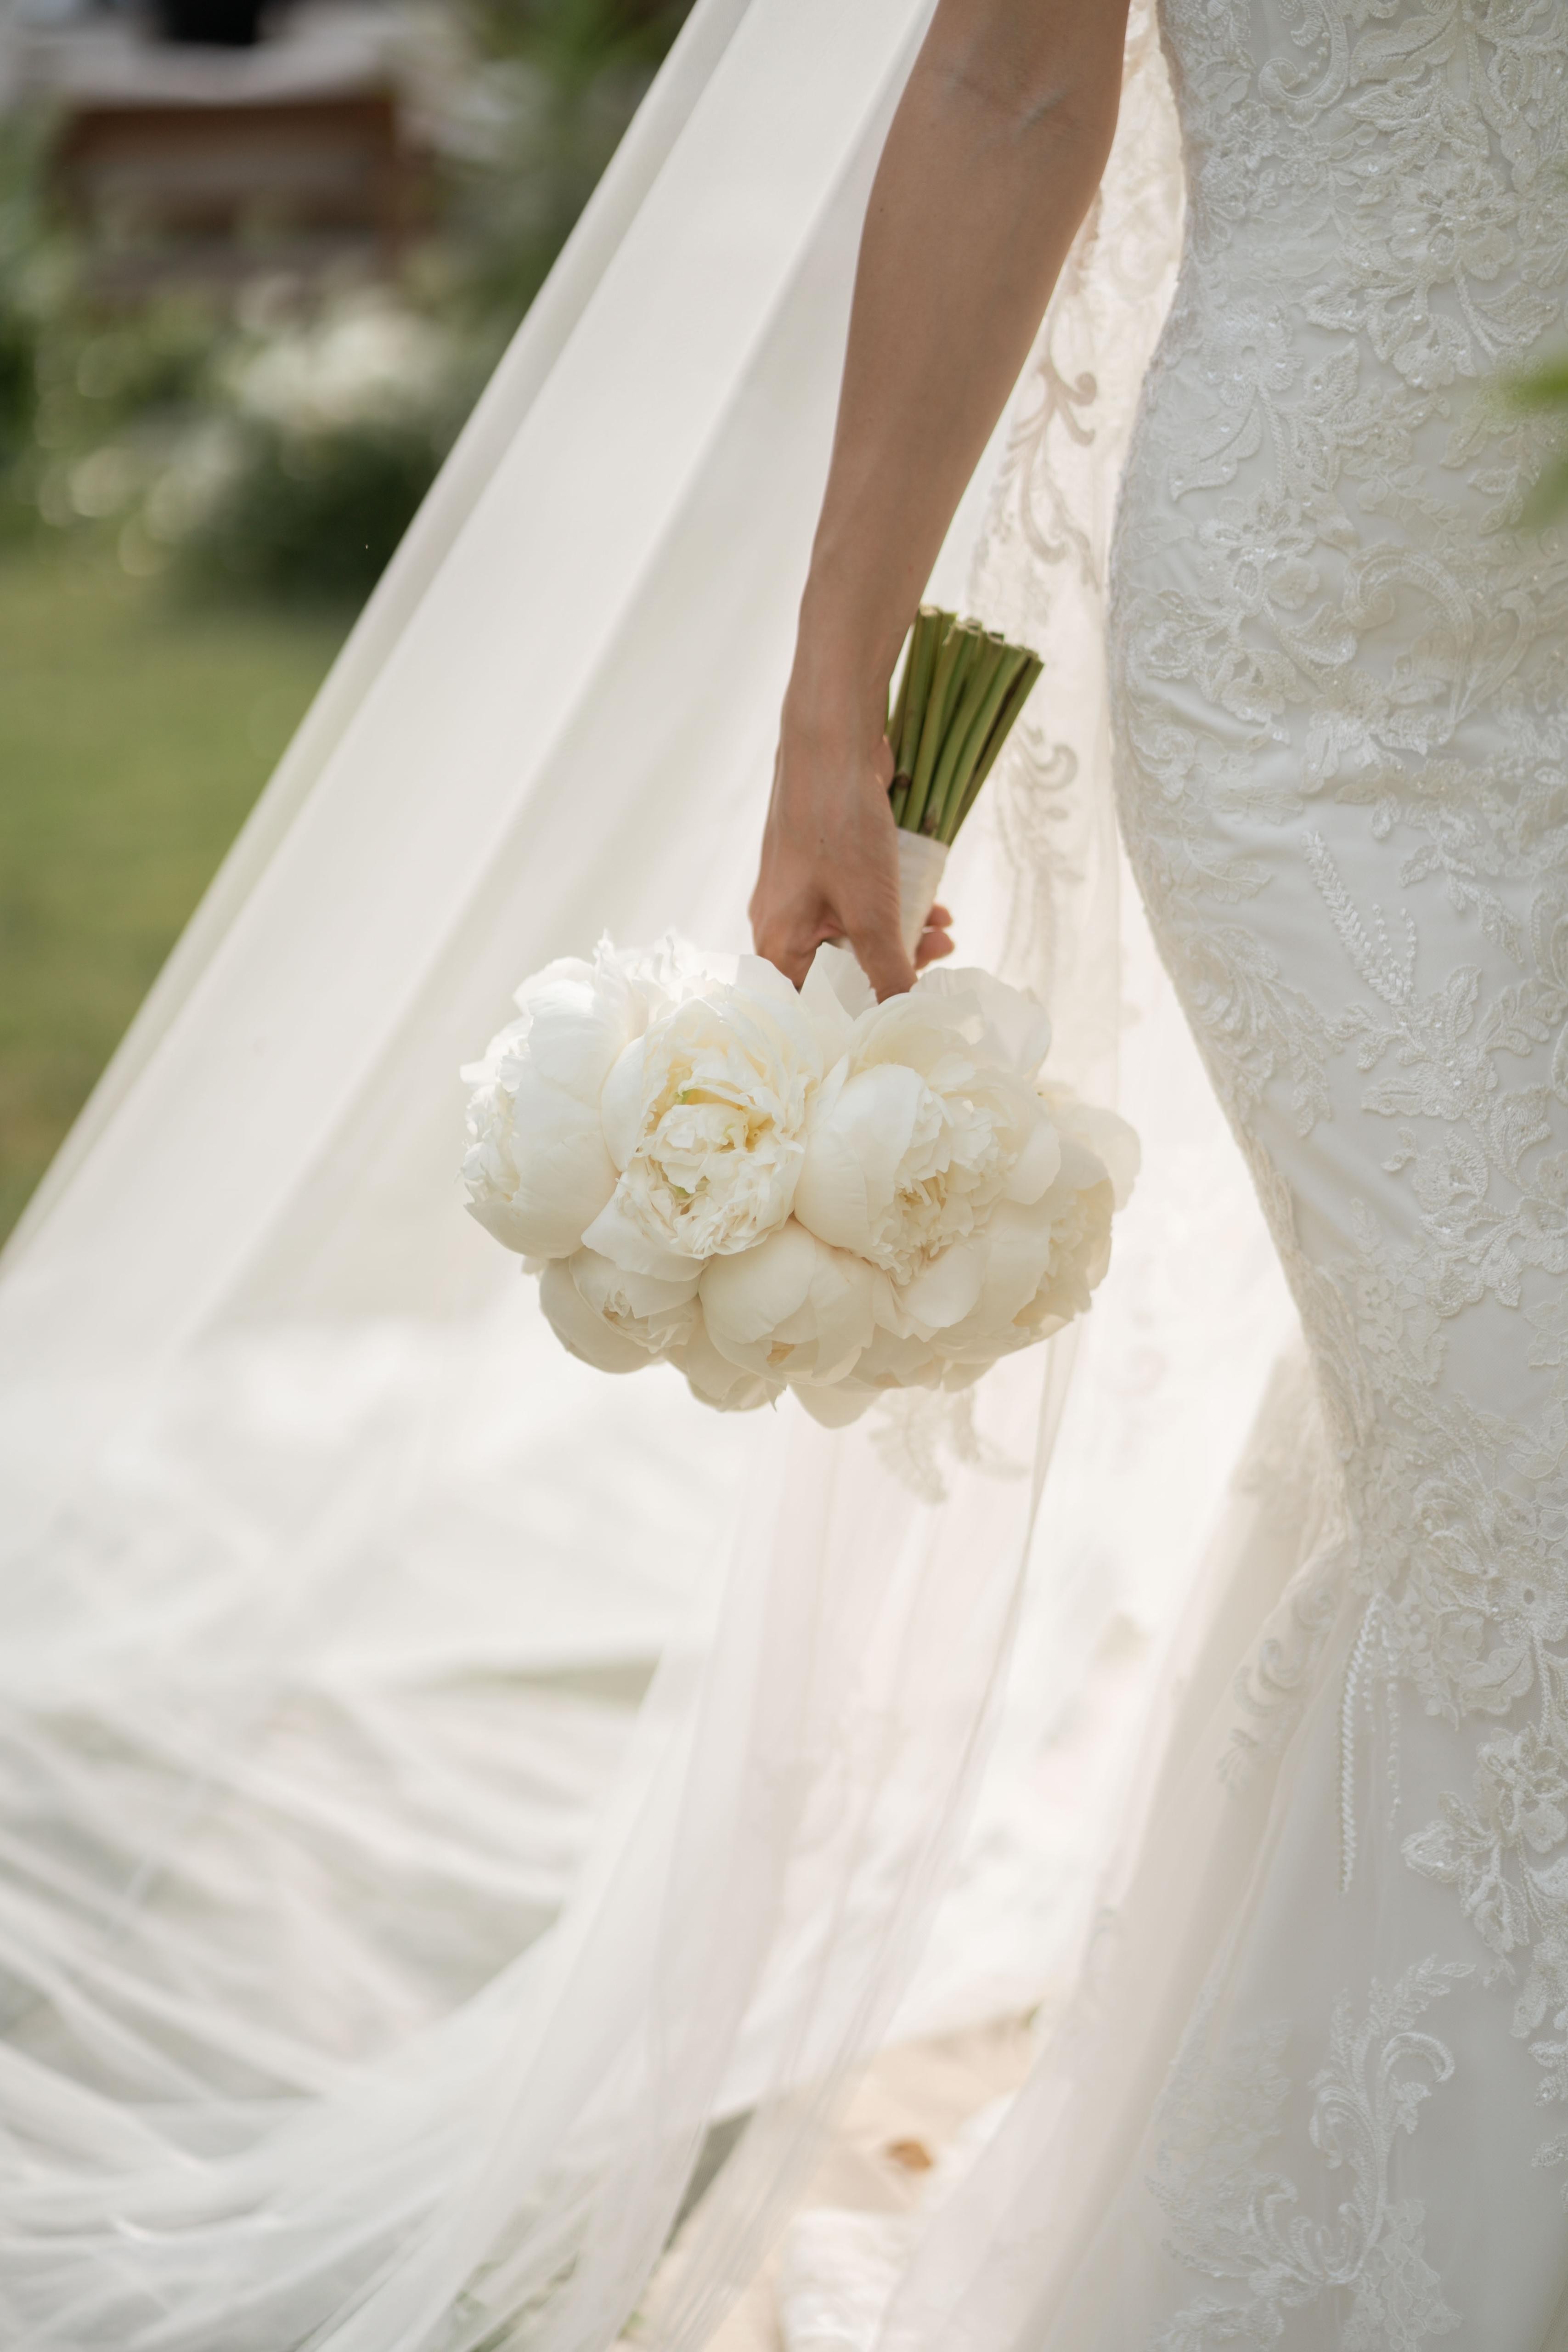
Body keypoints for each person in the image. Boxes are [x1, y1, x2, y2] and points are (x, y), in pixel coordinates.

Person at [753, 0, 1568, 2344]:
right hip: (1325, 674)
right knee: (1524, 1457)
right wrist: (839, 693)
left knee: (1459, 1481)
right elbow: (1012, 75)